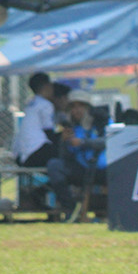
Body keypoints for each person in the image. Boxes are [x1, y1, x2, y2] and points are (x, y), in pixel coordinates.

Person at [46, 89, 110, 222]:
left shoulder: (102, 121)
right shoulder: (71, 127)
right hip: (82, 169)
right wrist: (64, 142)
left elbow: (110, 140)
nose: (77, 110)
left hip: (104, 169)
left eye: (81, 106)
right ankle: (71, 209)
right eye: (73, 107)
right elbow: (65, 157)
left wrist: (83, 142)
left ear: (88, 108)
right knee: (55, 166)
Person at [11, 72, 57, 167]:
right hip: (35, 152)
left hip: (20, 154)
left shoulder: (31, 104)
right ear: (47, 86)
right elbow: (48, 131)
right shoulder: (46, 104)